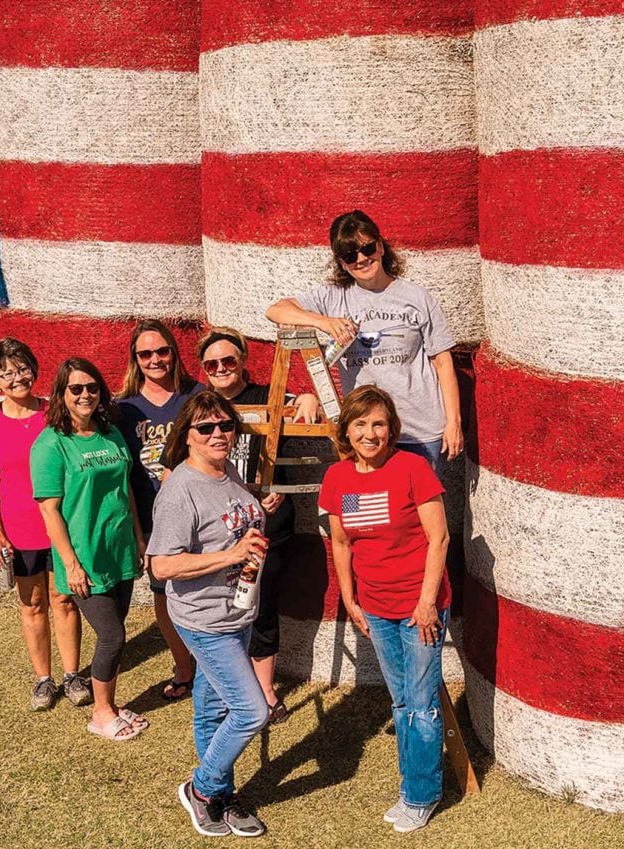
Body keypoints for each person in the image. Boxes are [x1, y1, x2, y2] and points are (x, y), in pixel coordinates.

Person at [318, 385, 450, 833]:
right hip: (376, 606)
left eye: (378, 423)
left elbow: (439, 538)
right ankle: (412, 785)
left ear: (391, 427)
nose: (370, 433)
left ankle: (421, 794)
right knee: (401, 702)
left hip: (419, 608)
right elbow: (341, 542)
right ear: (347, 431)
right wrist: (350, 598)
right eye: (360, 424)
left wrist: (427, 603)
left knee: (421, 704)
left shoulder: (412, 468)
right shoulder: (338, 479)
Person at [148, 391, 273, 837]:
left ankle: (221, 793)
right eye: (206, 428)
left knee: (212, 707)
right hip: (204, 619)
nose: (219, 433)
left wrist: (257, 505)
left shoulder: (229, 471)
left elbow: (230, 520)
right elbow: (161, 565)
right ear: (188, 435)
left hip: (238, 611)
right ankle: (202, 789)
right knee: (252, 711)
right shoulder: (180, 490)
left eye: (226, 425)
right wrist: (232, 555)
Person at [265, 208, 464, 471]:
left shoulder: (417, 297)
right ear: (341, 262)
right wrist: (323, 322)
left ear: (380, 247)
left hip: (418, 429)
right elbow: (275, 310)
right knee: (367, 509)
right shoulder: (334, 297)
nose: (360, 259)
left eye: (367, 249)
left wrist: (453, 423)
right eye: (349, 255)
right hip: (365, 433)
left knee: (416, 510)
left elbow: (443, 363)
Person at [196, 326, 319, 723]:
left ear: (243, 360)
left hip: (267, 528)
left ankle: (265, 691)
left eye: (228, 360)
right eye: (212, 364)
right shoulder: (201, 407)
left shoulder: (268, 396)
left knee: (261, 608)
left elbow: (299, 401)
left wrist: (308, 395)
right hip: (219, 530)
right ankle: (230, 687)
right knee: (222, 609)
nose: (221, 368)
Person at [30, 358, 147, 741]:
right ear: (61, 394)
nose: (85, 395)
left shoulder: (109, 432)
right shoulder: (50, 444)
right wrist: (71, 565)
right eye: (76, 389)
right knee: (113, 636)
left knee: (115, 635)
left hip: (119, 548)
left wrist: (139, 537)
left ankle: (110, 704)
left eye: (92, 387)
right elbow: (49, 509)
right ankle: (100, 713)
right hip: (84, 557)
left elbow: (125, 489)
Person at [0, 338, 90, 711]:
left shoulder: (55, 413)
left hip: (60, 523)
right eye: (7, 373)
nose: (17, 378)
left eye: (23, 369)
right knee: (32, 602)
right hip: (19, 528)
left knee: (64, 599)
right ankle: (44, 679)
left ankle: (73, 675)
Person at [115, 320, 202, 702]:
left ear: (174, 353)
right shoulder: (122, 409)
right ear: (135, 359)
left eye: (162, 351)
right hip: (152, 517)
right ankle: (184, 666)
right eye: (145, 354)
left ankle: (210, 666)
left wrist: (303, 399)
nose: (155, 360)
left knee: (203, 591)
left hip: (200, 512)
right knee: (164, 594)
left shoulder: (197, 394)